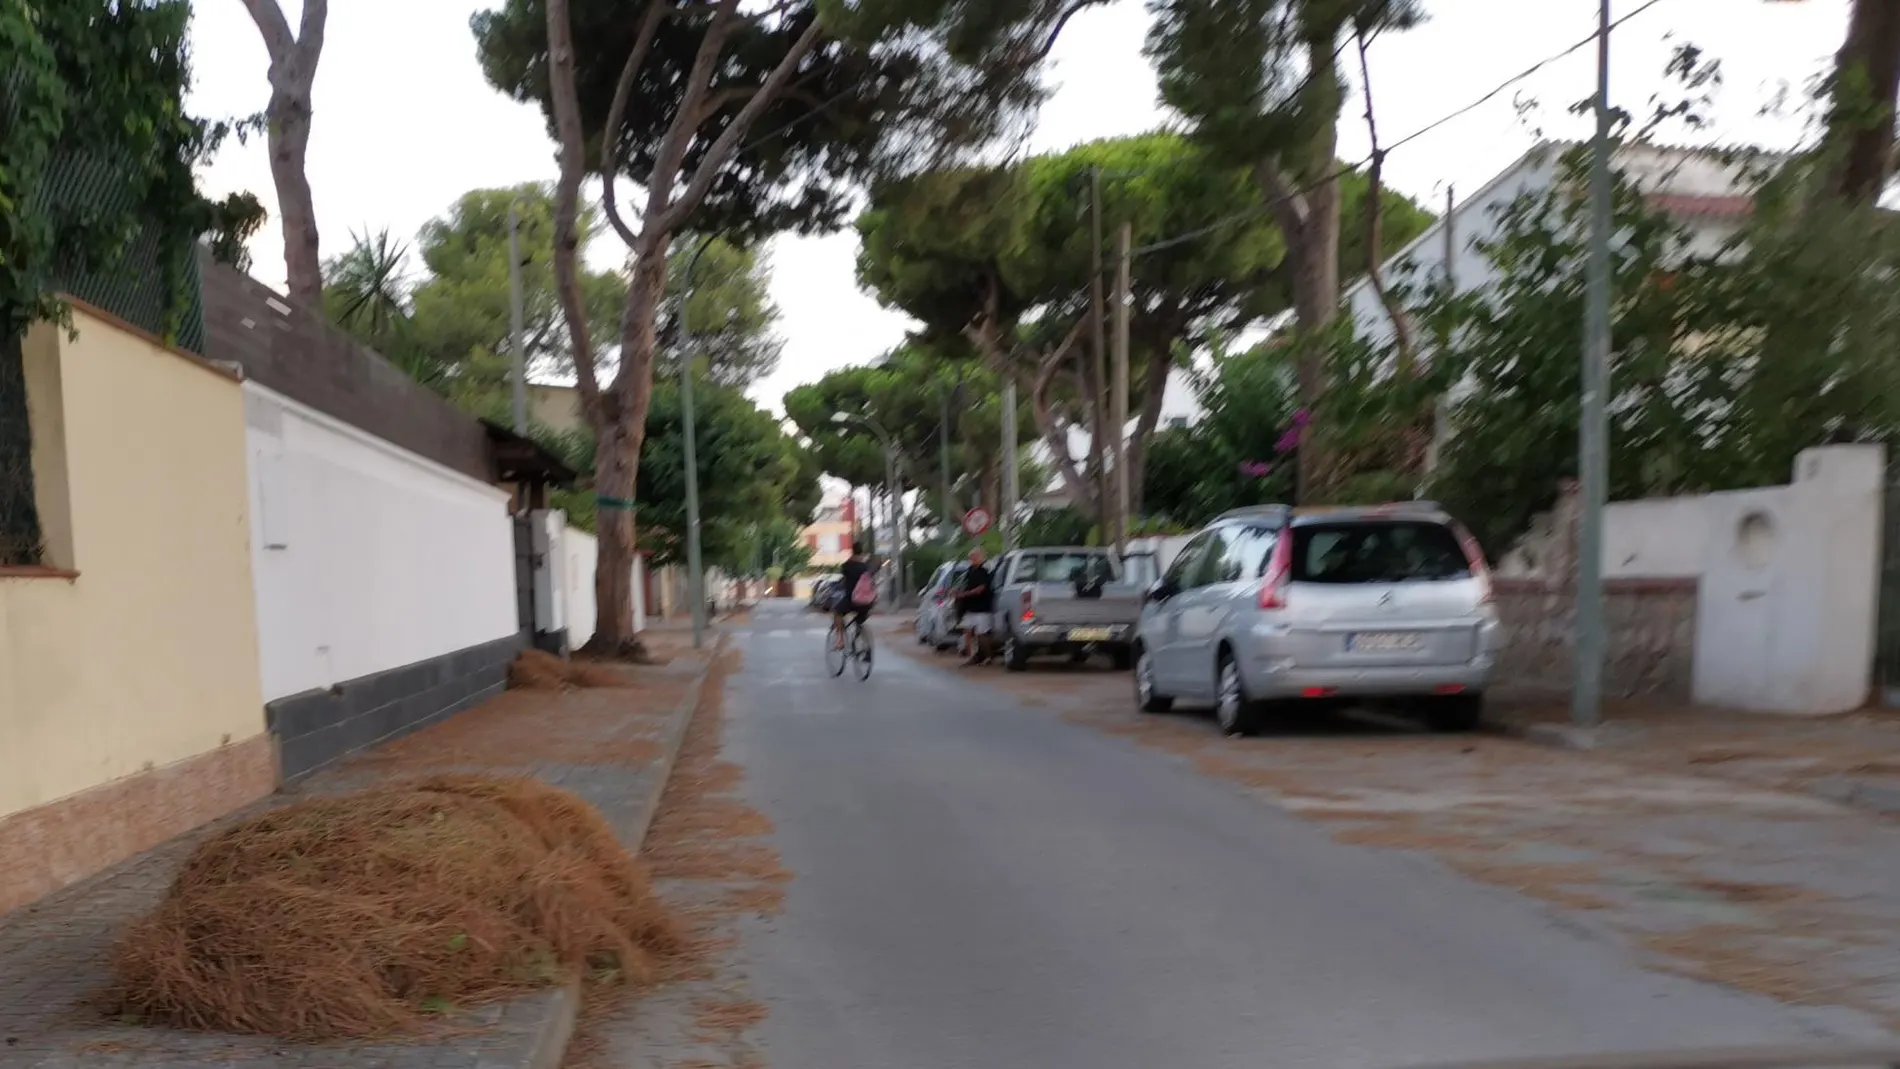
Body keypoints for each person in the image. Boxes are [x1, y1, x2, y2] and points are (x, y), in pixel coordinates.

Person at [954, 547, 996, 666]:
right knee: (967, 629)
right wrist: (957, 591)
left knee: (982, 634)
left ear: (980, 557)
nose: (970, 559)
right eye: (970, 557)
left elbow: (981, 588)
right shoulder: (970, 570)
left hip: (983, 607)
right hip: (971, 607)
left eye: (972, 557)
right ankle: (972, 655)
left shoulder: (985, 569)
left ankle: (988, 657)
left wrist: (964, 594)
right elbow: (965, 584)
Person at [830, 542, 876, 649]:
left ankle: (840, 641)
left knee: (837, 612)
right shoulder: (865, 567)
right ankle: (862, 643)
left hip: (852, 601)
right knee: (859, 620)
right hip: (867, 603)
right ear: (862, 552)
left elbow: (844, 581)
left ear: (852, 551)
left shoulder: (847, 566)